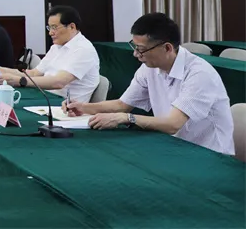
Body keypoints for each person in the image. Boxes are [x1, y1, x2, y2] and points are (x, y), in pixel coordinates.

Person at [64, 12, 234, 155]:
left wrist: (127, 118)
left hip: (208, 155)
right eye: (134, 47)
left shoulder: (199, 74)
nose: (136, 54)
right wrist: (84, 107)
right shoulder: (150, 68)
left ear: (167, 48)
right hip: (173, 147)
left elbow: (173, 124)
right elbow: (122, 105)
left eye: (141, 49)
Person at [0, 5, 100, 102]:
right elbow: (34, 73)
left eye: (54, 27)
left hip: (65, 106)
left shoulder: (83, 49)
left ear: (72, 27)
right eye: (49, 28)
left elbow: (59, 82)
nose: (50, 33)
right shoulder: (57, 46)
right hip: (45, 97)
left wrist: (20, 81)